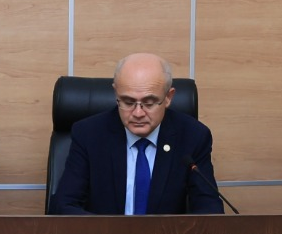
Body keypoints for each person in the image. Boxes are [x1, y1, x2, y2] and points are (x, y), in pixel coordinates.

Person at [52, 53, 224, 215]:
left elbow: (209, 209)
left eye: (149, 103)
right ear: (116, 93)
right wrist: (107, 232)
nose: (138, 113)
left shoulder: (193, 136)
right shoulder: (89, 134)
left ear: (168, 97)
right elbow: (64, 205)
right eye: (128, 102)